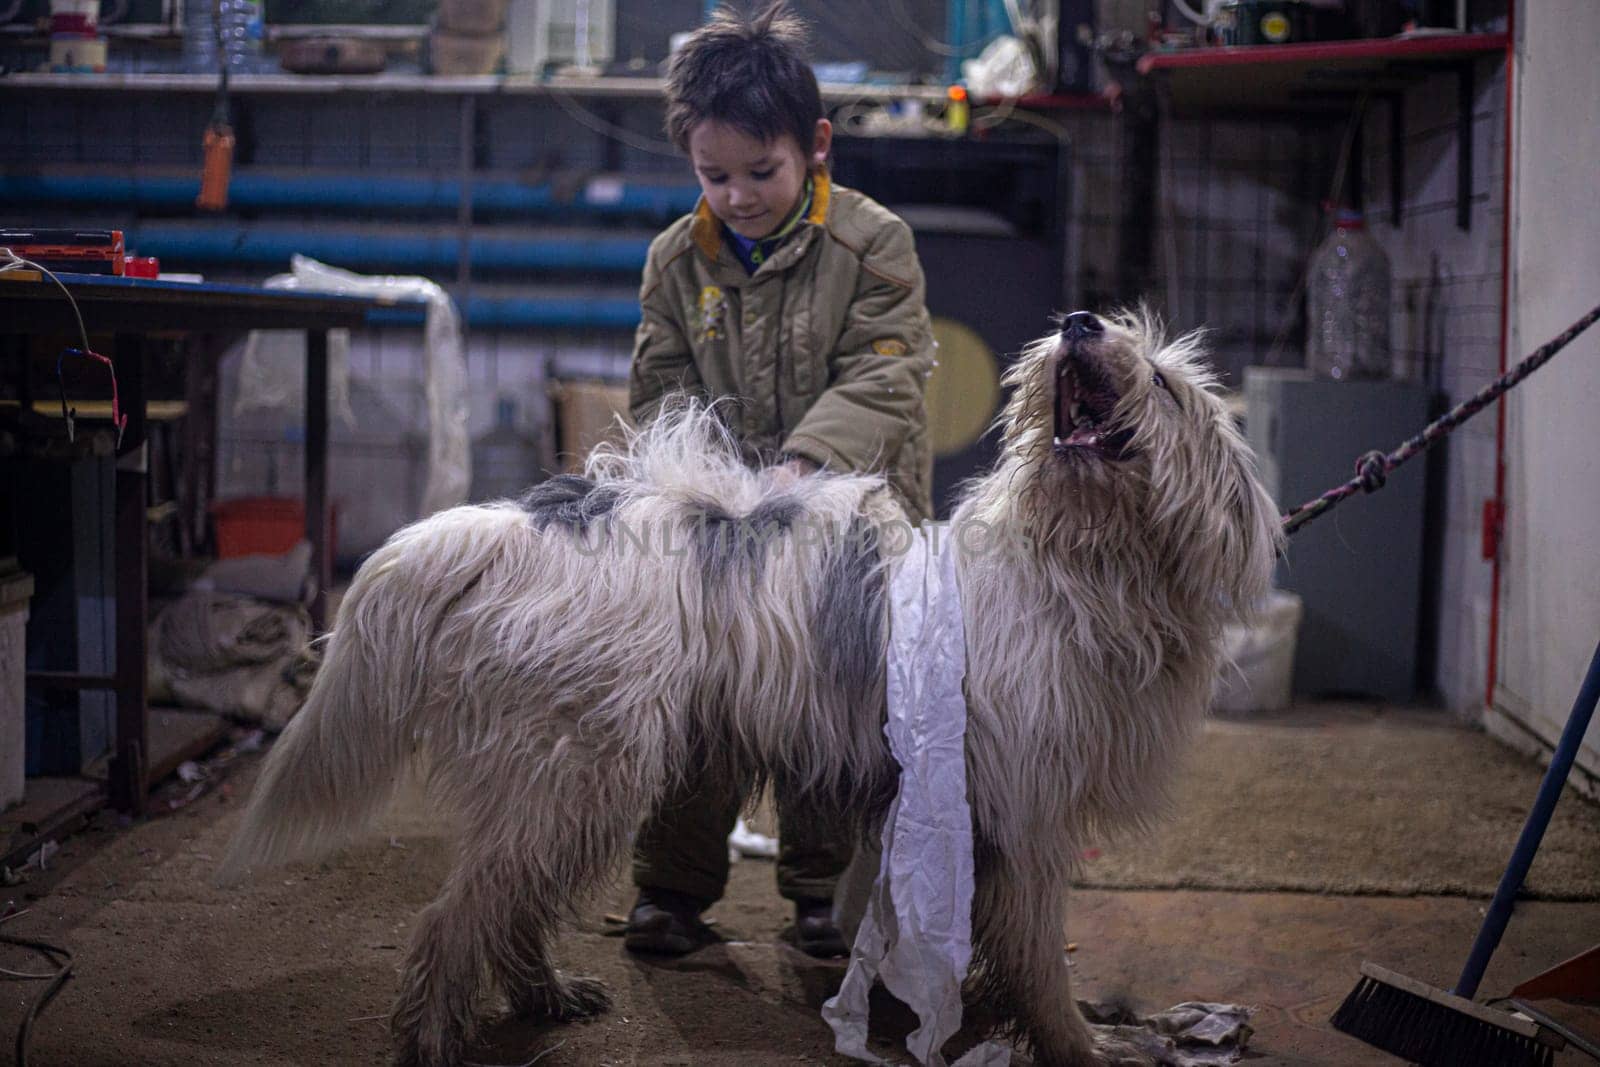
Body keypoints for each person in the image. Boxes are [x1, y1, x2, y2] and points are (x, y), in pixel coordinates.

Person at [625, 1, 935, 959]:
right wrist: (705, 497)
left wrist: (804, 469)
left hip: (852, 519)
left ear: (818, 147)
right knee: (702, 695)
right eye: (714, 175)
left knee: (833, 705)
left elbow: (886, 372)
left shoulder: (874, 243)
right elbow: (660, 393)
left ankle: (818, 893)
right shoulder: (678, 262)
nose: (740, 195)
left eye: (762, 172)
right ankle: (671, 888)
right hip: (727, 524)